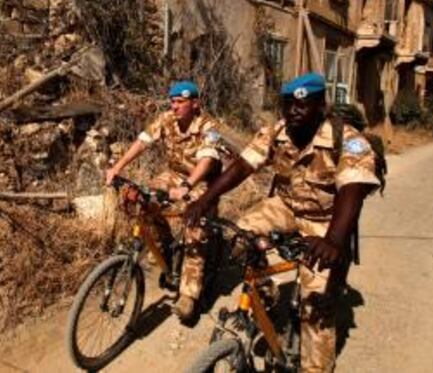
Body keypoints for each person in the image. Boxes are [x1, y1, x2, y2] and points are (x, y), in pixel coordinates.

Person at [185, 72, 380, 373]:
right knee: (237, 237)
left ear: (321, 106)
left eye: (303, 105)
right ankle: (265, 290)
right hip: (286, 205)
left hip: (326, 220)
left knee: (316, 306)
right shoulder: (277, 131)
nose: (294, 111)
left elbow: (352, 191)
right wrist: (206, 198)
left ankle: (316, 368)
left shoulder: (349, 140)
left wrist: (334, 241)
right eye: (288, 105)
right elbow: (242, 165)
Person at [105, 80, 223, 323]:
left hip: (202, 182)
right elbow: (143, 141)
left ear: (195, 103)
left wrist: (187, 186)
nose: (175, 106)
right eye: (172, 101)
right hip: (174, 175)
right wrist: (117, 167)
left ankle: (189, 294)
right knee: (145, 201)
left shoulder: (208, 126)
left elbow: (208, 160)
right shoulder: (167, 119)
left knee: (194, 227)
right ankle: (167, 248)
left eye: (180, 102)